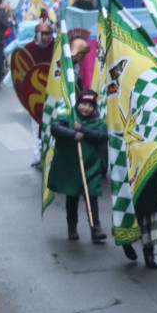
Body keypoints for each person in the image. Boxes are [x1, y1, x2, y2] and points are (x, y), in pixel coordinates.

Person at [47, 89, 109, 242]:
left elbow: (100, 137)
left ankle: (96, 228)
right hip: (73, 168)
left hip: (91, 167)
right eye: (83, 104)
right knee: (72, 197)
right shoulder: (69, 117)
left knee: (91, 197)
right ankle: (72, 226)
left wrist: (81, 130)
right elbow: (55, 128)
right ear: (78, 104)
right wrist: (72, 134)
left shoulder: (99, 123)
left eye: (90, 105)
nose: (86, 108)